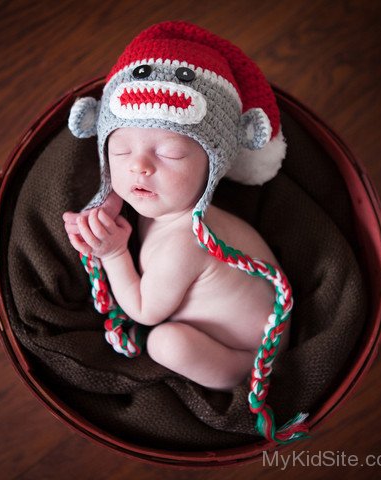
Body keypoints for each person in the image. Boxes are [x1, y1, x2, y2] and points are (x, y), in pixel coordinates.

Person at [62, 21, 308, 443]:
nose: (140, 166)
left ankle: (237, 374)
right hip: (250, 315)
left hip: (247, 347)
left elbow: (143, 311)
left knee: (165, 343)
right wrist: (108, 199)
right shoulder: (169, 204)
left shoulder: (186, 240)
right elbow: (133, 185)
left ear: (213, 168)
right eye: (120, 150)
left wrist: (114, 253)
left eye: (170, 152)